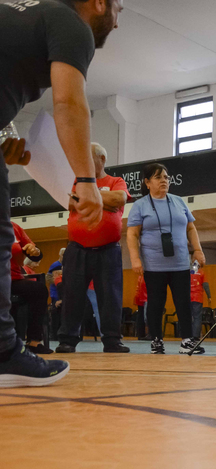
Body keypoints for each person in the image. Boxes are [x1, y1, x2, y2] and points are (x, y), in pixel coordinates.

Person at [0, 0, 123, 386]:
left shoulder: (26, 14)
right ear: (98, 3)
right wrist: (86, 180)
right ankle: (3, 351)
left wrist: (4, 136)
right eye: (119, 7)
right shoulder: (70, 23)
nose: (118, 21)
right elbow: (69, 102)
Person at [55, 142, 129, 353]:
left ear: (101, 159)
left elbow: (119, 199)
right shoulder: (75, 181)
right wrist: (102, 200)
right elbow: (69, 202)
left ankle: (112, 340)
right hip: (77, 249)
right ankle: (67, 340)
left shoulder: (116, 181)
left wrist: (87, 197)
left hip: (109, 250)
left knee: (111, 297)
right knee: (72, 296)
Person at [126, 163, 207, 354]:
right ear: (147, 182)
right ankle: (156, 340)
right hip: (154, 265)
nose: (164, 180)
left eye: (166, 177)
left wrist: (198, 249)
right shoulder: (140, 205)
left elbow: (190, 228)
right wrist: (135, 259)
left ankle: (187, 341)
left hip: (180, 263)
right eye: (158, 177)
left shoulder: (178, 201)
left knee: (183, 302)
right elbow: (132, 234)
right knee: (155, 303)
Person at [8, 225, 49, 354]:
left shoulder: (14, 228)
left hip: (13, 279)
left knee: (38, 289)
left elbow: (35, 253)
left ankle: (34, 342)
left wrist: (35, 251)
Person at [190, 260, 212, 341]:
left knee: (189, 317)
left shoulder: (188, 273)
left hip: (188, 298)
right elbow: (205, 285)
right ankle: (195, 336)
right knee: (197, 317)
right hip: (197, 298)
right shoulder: (201, 273)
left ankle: (188, 335)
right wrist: (209, 296)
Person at [133, 274, 148, 340]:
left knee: (142, 316)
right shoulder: (143, 277)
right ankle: (144, 334)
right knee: (145, 316)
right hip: (144, 298)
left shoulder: (140, 276)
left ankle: (141, 334)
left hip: (141, 298)